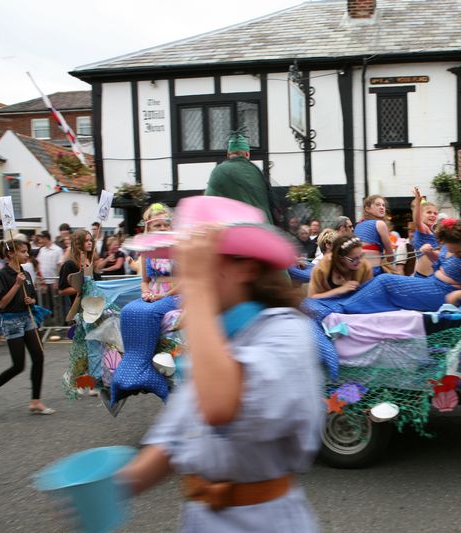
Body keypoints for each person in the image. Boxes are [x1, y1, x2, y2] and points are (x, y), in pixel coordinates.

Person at [117, 195, 323, 531]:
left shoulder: (287, 330)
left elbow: (220, 406)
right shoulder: (216, 335)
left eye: (201, 261)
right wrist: (115, 488)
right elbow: (176, 437)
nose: (189, 272)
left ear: (247, 268)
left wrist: (195, 288)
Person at [306, 219, 461, 319]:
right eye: (452, 249)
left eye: (459, 250)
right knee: (379, 281)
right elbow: (444, 265)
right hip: (433, 284)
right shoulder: (449, 245)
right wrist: (431, 255)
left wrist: (459, 296)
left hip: (443, 293)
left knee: (385, 281)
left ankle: (342, 307)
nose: (456, 252)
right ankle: (342, 301)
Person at [112, 204, 178, 402]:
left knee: (149, 313)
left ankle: (144, 368)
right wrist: (147, 292)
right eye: (157, 225)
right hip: (155, 293)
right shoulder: (147, 251)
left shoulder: (179, 248)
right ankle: (128, 371)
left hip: (176, 293)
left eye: (165, 224)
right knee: (128, 311)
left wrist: (161, 297)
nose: (163, 228)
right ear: (150, 228)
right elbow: (144, 281)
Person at [0, 240, 53, 414]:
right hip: (11, 320)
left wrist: (32, 300)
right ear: (10, 254)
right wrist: (16, 285)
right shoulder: (2, 275)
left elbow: (33, 297)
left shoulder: (26, 273)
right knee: (18, 365)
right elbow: (1, 303)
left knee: (39, 357)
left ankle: (35, 401)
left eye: (27, 251)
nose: (27, 255)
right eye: (23, 252)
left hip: (27, 318)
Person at [205, 130, 277, 226]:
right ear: (247, 154)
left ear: (228, 154)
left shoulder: (219, 171)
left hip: (239, 231)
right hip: (264, 230)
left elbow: (208, 202)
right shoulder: (257, 172)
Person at [308, 235, 373, 299]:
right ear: (341, 258)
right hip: (328, 305)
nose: (360, 261)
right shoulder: (322, 268)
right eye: (354, 259)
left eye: (361, 256)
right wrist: (338, 291)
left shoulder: (365, 267)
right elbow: (312, 297)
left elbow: (368, 296)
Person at [58, 229, 101, 322]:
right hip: (80, 311)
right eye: (86, 241)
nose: (89, 243)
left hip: (96, 308)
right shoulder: (69, 264)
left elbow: (98, 284)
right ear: (77, 244)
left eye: (90, 240)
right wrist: (82, 288)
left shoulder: (92, 263)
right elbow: (62, 291)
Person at [354, 195, 394, 275]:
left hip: (357, 271)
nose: (382, 207)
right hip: (373, 271)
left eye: (383, 205)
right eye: (378, 205)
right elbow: (390, 254)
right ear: (367, 209)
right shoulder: (380, 224)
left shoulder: (358, 225)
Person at [411, 186, 439, 267]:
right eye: (429, 212)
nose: (433, 215)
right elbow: (417, 221)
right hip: (426, 273)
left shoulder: (433, 231)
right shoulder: (423, 228)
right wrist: (418, 202)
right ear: (421, 214)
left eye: (435, 213)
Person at [36, 231, 63, 309]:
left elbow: (59, 265)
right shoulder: (42, 250)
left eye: (40, 239)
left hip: (53, 280)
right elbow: (38, 263)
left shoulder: (58, 250)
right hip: (43, 281)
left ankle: (55, 319)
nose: (39, 241)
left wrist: (57, 281)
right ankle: (48, 318)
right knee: (45, 302)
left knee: (54, 302)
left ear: (46, 238)